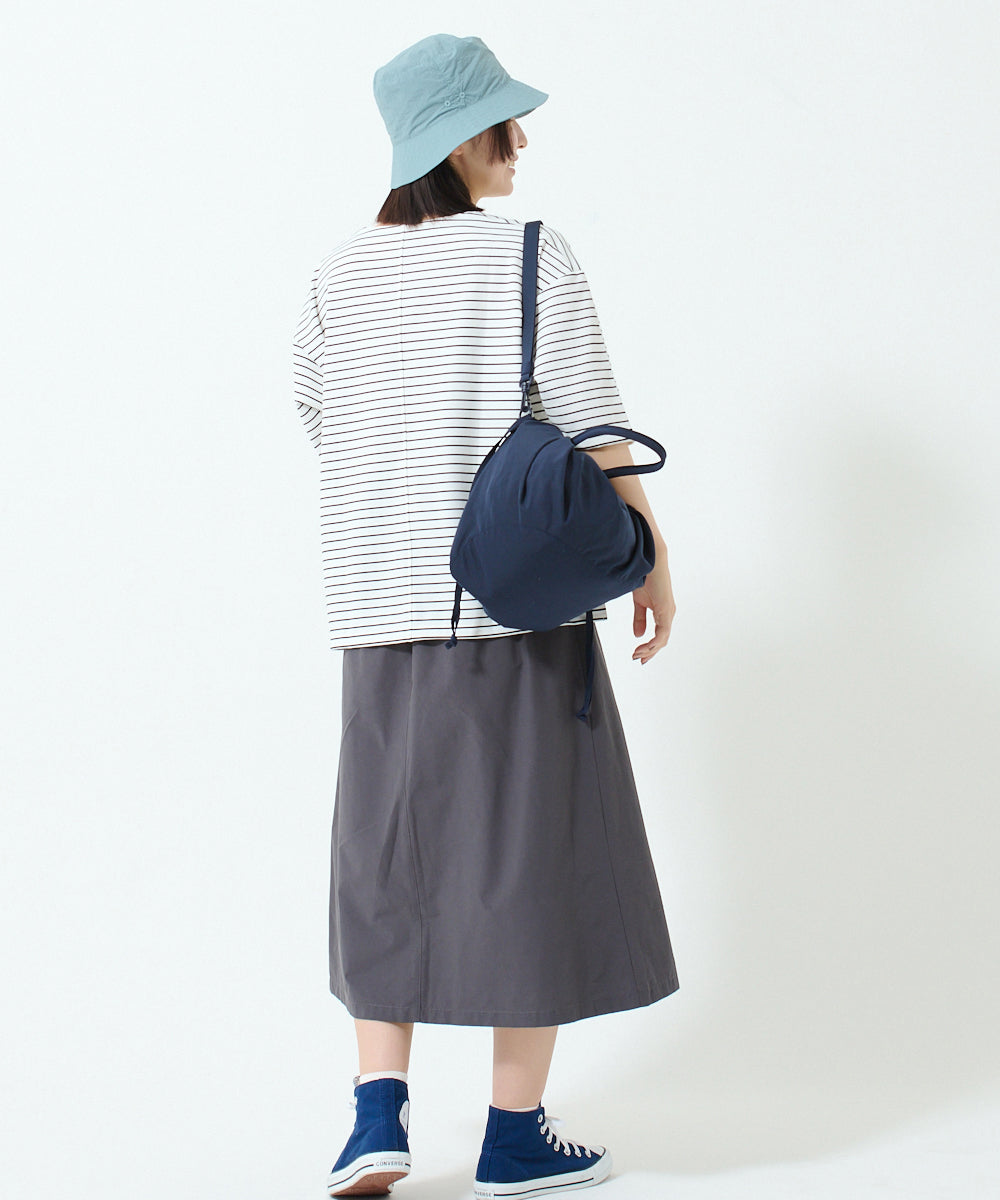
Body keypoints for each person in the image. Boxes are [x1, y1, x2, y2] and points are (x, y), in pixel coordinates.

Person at [291, 33, 679, 1200]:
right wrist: (651, 559)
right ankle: (513, 1135)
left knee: (382, 858)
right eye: (506, 122)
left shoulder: (335, 275)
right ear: (463, 139)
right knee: (531, 856)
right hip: (509, 603)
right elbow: (594, 425)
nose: (520, 142)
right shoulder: (528, 253)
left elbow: (319, 416)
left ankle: (376, 1118)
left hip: (373, 605)